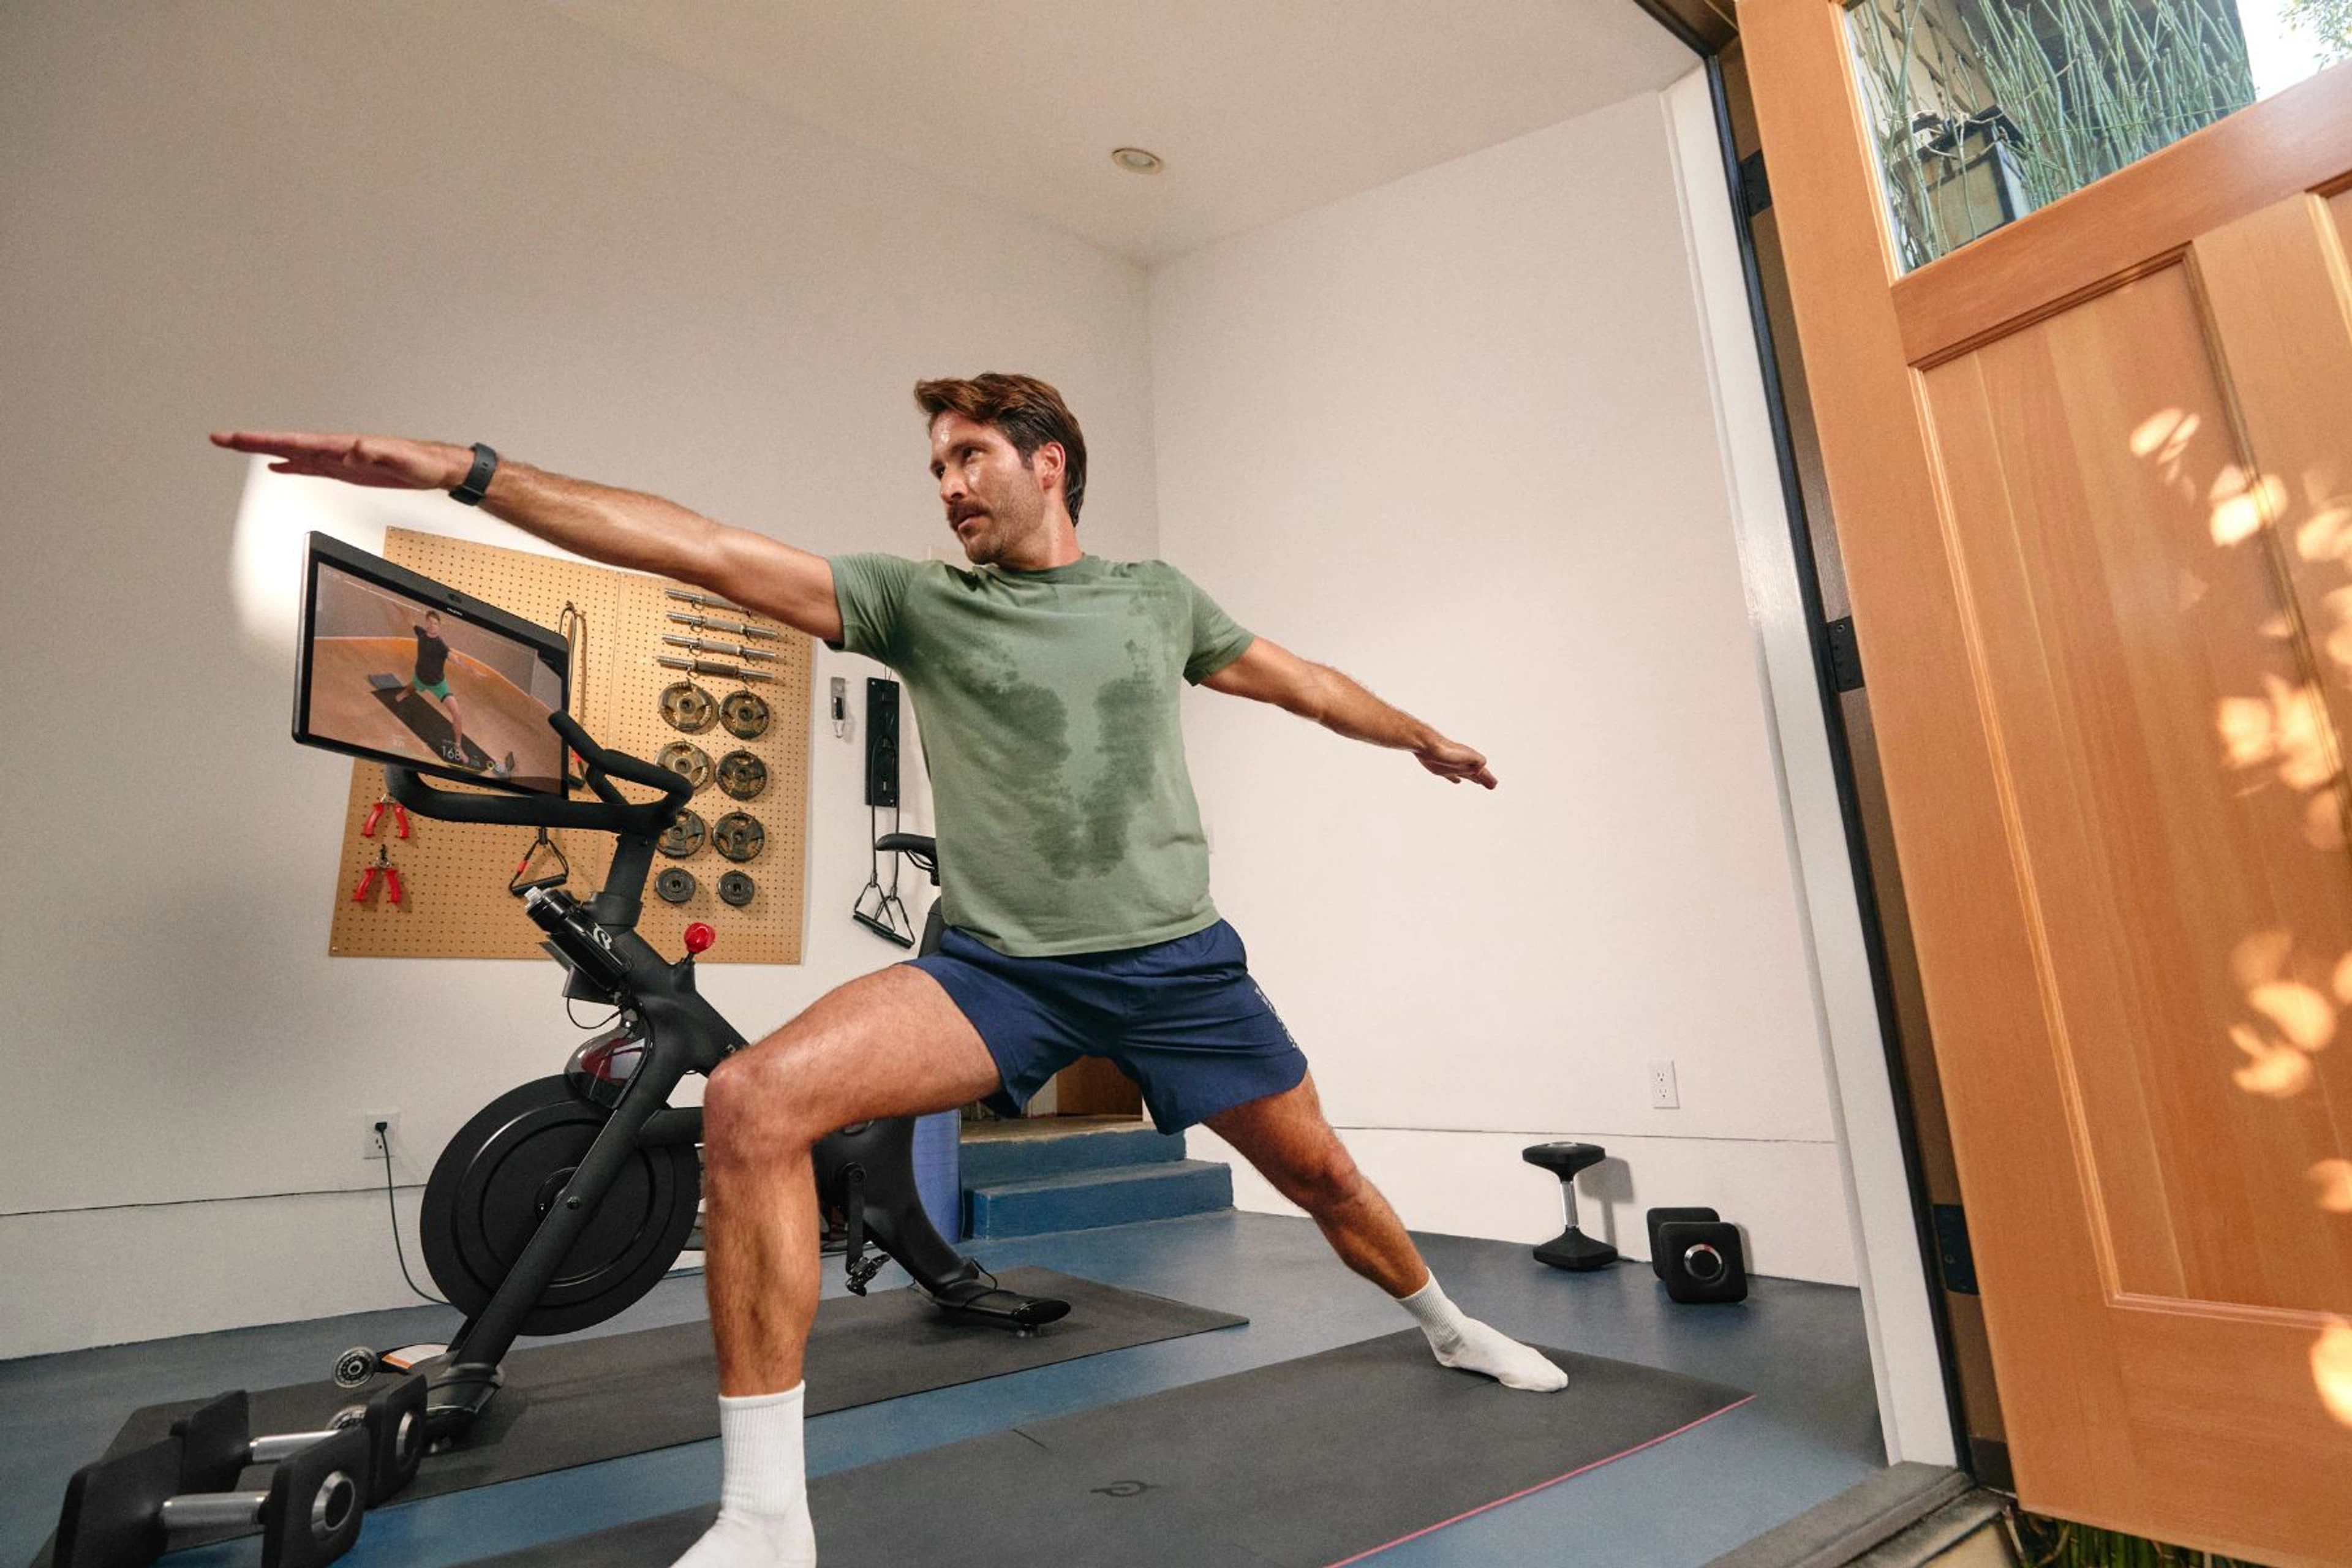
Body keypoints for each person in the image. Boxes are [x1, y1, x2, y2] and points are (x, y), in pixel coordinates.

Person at [214, 374, 1563, 1568]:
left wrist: (1419, 735)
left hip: (1175, 969)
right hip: (998, 972)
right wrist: (469, 471)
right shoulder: (923, 602)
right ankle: (764, 1516)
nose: (947, 485)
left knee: (1321, 1174)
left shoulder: (1157, 599)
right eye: (935, 465)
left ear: (1049, 462)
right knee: (751, 1100)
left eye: (970, 454)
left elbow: (1305, 680)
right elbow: (705, 544)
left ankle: (1444, 1319)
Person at [409, 609, 470, 764]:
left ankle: (458, 747)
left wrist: (473, 671)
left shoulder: (441, 646)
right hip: (421, 678)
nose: (432, 626)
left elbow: (456, 659)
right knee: (411, 688)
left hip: (438, 684)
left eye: (435, 624)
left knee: (457, 714)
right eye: (429, 623)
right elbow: (411, 622)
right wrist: (399, 607)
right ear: (426, 624)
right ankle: (402, 694)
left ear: (439, 626)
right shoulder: (421, 634)